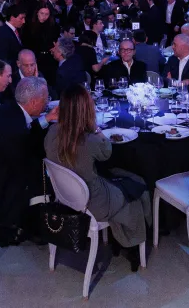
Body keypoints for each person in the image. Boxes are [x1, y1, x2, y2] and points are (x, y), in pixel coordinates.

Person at [44, 84, 149, 271]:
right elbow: (107, 152)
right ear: (86, 109)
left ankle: (122, 239)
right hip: (93, 203)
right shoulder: (90, 140)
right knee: (136, 189)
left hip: (66, 197)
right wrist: (95, 127)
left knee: (123, 179)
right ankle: (132, 244)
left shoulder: (52, 133)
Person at [0, 76, 58, 245]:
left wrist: (46, 119)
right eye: (45, 99)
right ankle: (43, 227)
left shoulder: (10, 111)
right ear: (34, 102)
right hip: (5, 190)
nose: (46, 103)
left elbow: (25, 134)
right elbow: (25, 159)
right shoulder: (15, 130)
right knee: (56, 179)